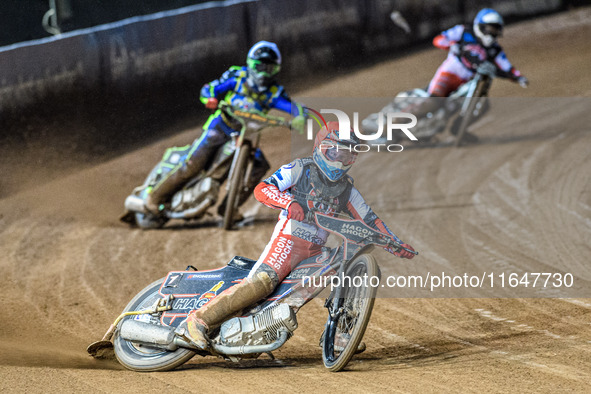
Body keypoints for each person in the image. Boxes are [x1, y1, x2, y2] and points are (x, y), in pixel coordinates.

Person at [182, 121, 416, 349]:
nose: (339, 161)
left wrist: (394, 242)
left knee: (348, 265)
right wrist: (289, 201)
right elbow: (263, 188)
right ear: (320, 147)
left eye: (346, 156)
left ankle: (337, 334)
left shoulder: (348, 190)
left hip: (314, 252)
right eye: (333, 153)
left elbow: (371, 221)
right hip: (288, 242)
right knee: (263, 283)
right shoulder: (300, 168)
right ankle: (197, 321)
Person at [145, 41, 306, 216]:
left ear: (276, 69)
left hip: (248, 135)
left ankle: (229, 207)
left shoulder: (275, 92)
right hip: (220, 126)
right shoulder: (237, 75)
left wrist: (300, 118)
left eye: (268, 68)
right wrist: (209, 98)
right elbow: (210, 88)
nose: (262, 72)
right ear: (251, 63)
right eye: (259, 66)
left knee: (260, 165)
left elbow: (295, 107)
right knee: (193, 164)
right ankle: (154, 198)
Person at [427, 8, 528, 98]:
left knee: (482, 107)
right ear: (481, 26)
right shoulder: (463, 31)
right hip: (450, 72)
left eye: (496, 30)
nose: (493, 33)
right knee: (435, 99)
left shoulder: (495, 49)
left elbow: (507, 67)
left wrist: (519, 77)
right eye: (491, 28)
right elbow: (438, 39)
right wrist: (452, 45)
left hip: (469, 81)